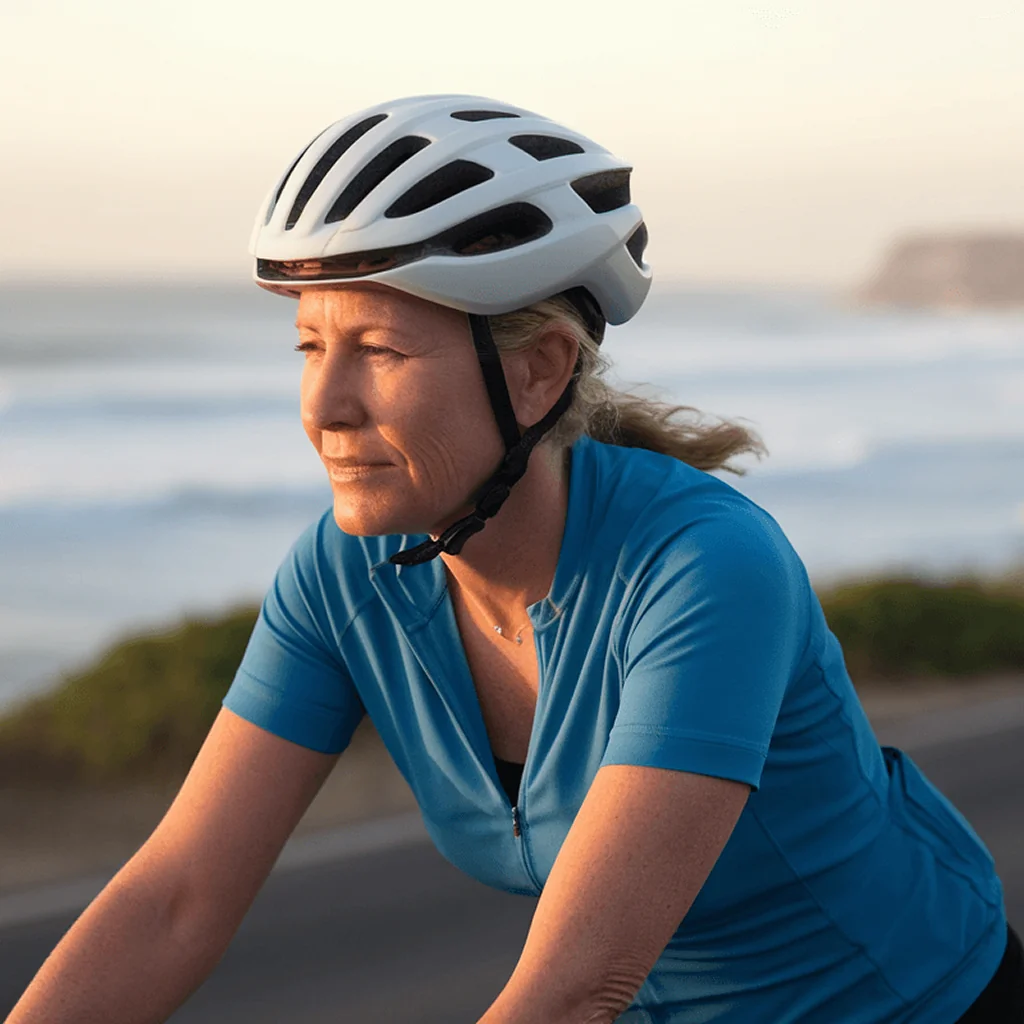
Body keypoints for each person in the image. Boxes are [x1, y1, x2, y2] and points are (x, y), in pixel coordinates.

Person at [8, 94, 1022, 1024]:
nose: (323, 408)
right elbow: (175, 900)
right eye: (310, 346)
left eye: (380, 350)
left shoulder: (704, 569)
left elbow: (576, 986)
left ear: (539, 371)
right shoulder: (345, 575)